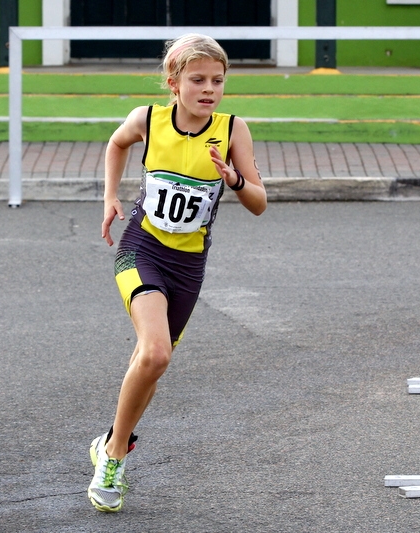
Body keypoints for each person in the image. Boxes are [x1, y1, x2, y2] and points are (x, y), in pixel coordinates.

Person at [88, 33, 267, 513]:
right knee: (156, 352)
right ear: (174, 82)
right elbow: (117, 143)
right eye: (197, 80)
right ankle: (114, 456)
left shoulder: (233, 130)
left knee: (151, 364)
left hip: (188, 266)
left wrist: (234, 179)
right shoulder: (147, 119)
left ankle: (111, 442)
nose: (209, 89)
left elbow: (259, 202)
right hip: (141, 248)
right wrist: (110, 196)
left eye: (217, 81)